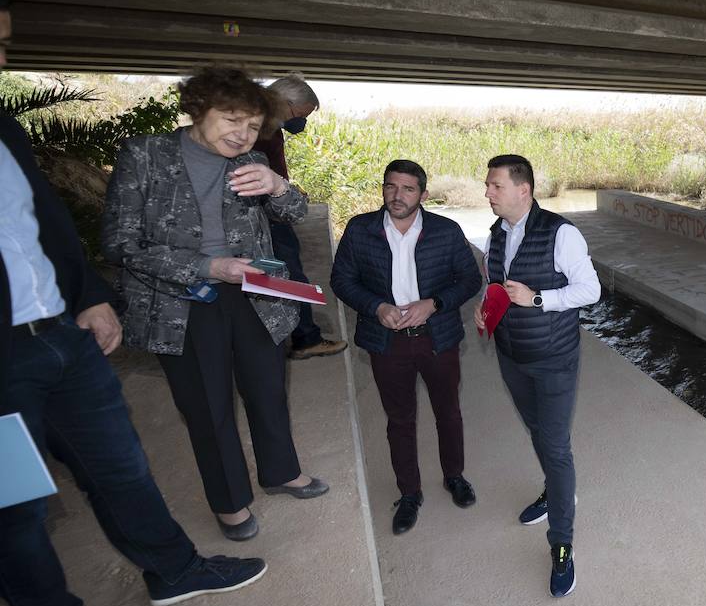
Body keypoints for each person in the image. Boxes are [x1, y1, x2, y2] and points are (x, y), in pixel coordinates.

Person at [0, 0, 265, 606]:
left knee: (123, 469)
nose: (0, 56)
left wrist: (87, 295)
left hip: (62, 334)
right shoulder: (148, 155)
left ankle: (175, 570)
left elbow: (44, 224)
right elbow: (127, 234)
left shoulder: (4, 128)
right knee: (13, 505)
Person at [101, 66, 328, 541]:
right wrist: (207, 267)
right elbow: (121, 243)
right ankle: (230, 503)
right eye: (231, 120)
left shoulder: (249, 160)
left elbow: (293, 212)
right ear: (198, 109)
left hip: (253, 293)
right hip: (181, 302)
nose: (242, 134)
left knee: (268, 389)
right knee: (208, 407)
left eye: (251, 126)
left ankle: (281, 471)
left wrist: (278, 185)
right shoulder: (145, 153)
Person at [331, 160, 483, 535]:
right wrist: (376, 307)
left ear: (423, 195)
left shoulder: (446, 231)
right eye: (390, 187)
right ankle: (409, 493)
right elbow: (342, 280)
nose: (397, 196)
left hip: (438, 338)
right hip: (387, 343)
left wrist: (433, 304)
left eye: (408, 189)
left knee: (448, 412)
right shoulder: (360, 229)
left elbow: (468, 279)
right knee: (399, 420)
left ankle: (454, 476)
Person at [475, 154, 600, 598]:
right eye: (488, 186)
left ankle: (562, 544)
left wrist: (538, 299)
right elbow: (501, 286)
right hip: (512, 357)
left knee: (555, 445)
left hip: (554, 359)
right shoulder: (496, 233)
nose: (487, 192)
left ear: (523, 190)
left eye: (495, 186)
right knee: (537, 432)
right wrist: (488, 308)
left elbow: (591, 290)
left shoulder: (561, 233)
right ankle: (553, 491)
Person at [253, 75, 347, 361]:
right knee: (288, 270)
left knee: (272, 270)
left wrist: (288, 188)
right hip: (266, 217)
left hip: (268, 212)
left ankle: (287, 335)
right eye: (299, 114)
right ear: (283, 102)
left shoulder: (266, 127)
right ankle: (306, 338)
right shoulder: (258, 130)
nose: (300, 123)